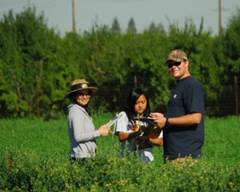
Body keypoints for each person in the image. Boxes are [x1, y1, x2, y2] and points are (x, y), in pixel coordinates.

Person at [150, 49, 205, 162]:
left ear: (186, 63)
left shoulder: (192, 85)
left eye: (177, 63)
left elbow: (196, 118)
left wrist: (167, 121)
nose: (173, 67)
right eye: (170, 65)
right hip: (174, 154)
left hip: (184, 155)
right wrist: (161, 117)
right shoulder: (179, 86)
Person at [115, 88, 163, 163]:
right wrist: (135, 133)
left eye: (143, 102)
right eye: (136, 103)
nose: (140, 106)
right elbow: (121, 136)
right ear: (131, 103)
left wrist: (147, 138)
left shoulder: (151, 118)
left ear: (147, 102)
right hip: (127, 158)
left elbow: (160, 142)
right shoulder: (124, 115)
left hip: (147, 160)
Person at [66, 79, 110, 161]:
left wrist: (99, 130)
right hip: (81, 158)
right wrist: (99, 133)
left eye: (87, 94)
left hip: (86, 157)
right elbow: (78, 137)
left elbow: (85, 133)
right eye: (81, 94)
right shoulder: (76, 112)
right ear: (74, 96)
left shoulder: (81, 111)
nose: (85, 97)